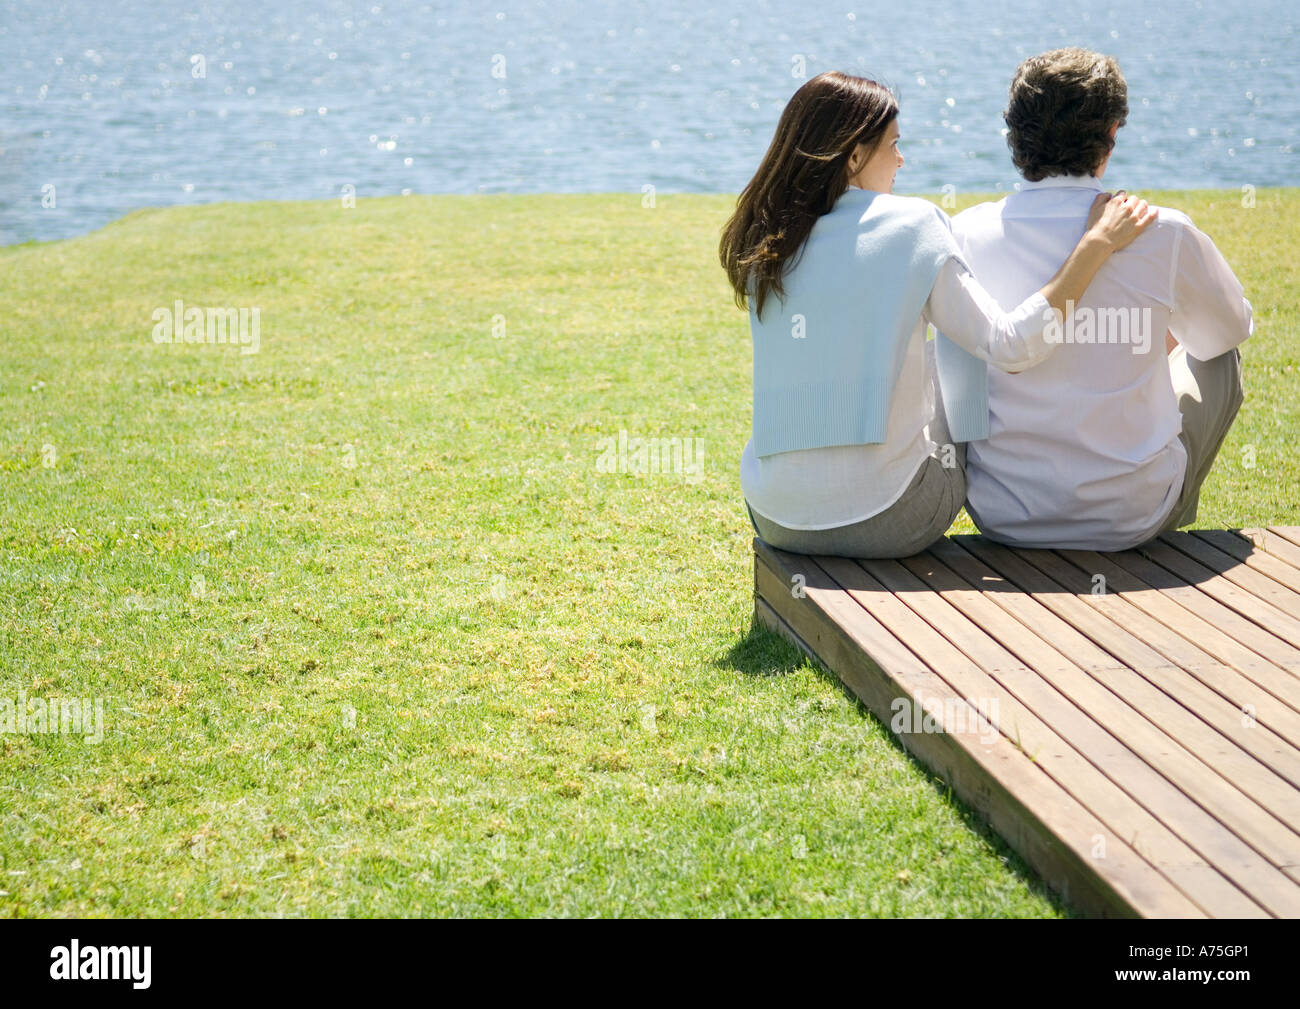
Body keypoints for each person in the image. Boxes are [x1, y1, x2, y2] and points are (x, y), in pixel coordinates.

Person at [721, 71, 1155, 560]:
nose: (902, 160)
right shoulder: (914, 225)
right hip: (891, 519)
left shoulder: (768, 241)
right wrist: (1094, 245)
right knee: (958, 342)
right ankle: (1015, 494)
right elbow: (1011, 348)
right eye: (894, 145)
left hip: (775, 516)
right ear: (855, 155)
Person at [946, 48, 1253, 551]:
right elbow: (1229, 330)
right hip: (1130, 517)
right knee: (1221, 355)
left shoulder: (966, 232)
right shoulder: (1164, 232)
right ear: (1111, 135)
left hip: (1002, 514)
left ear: (1015, 137)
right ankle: (1167, 512)